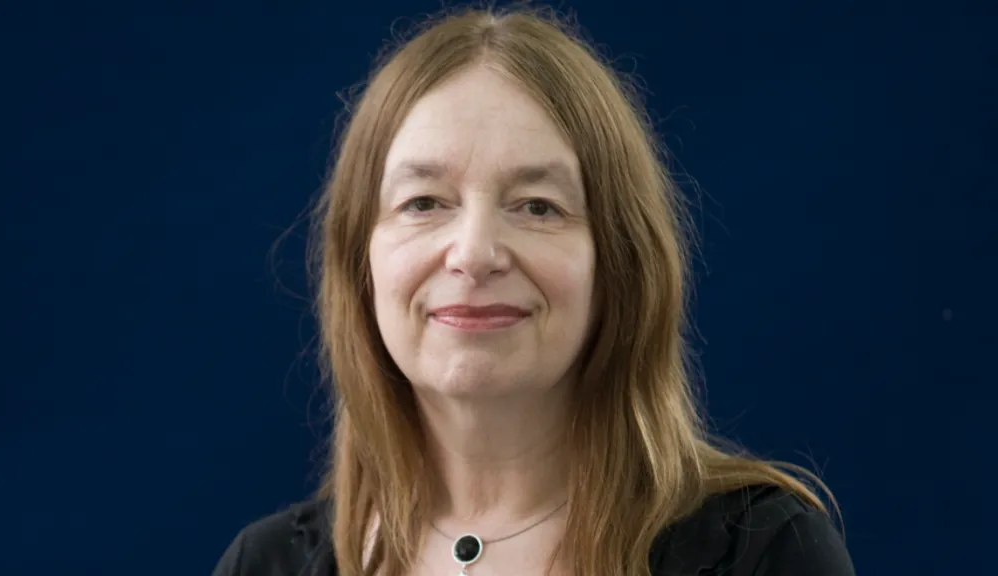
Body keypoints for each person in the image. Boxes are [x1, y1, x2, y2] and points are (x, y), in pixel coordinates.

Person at [213, 5, 856, 576]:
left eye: (538, 207)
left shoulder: (765, 553)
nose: (474, 254)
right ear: (361, 261)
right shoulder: (265, 565)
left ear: (620, 263)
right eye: (424, 201)